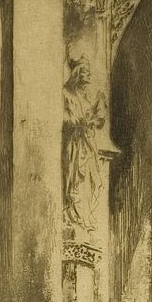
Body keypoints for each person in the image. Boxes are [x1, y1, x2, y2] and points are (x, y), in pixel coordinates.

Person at [62, 54, 106, 234]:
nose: (88, 76)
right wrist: (78, 121)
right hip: (75, 144)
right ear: (76, 74)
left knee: (88, 181)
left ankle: (84, 217)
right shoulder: (67, 94)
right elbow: (65, 118)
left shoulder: (89, 98)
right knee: (75, 180)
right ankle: (74, 214)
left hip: (88, 146)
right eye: (85, 72)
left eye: (89, 73)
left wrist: (95, 117)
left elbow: (97, 120)